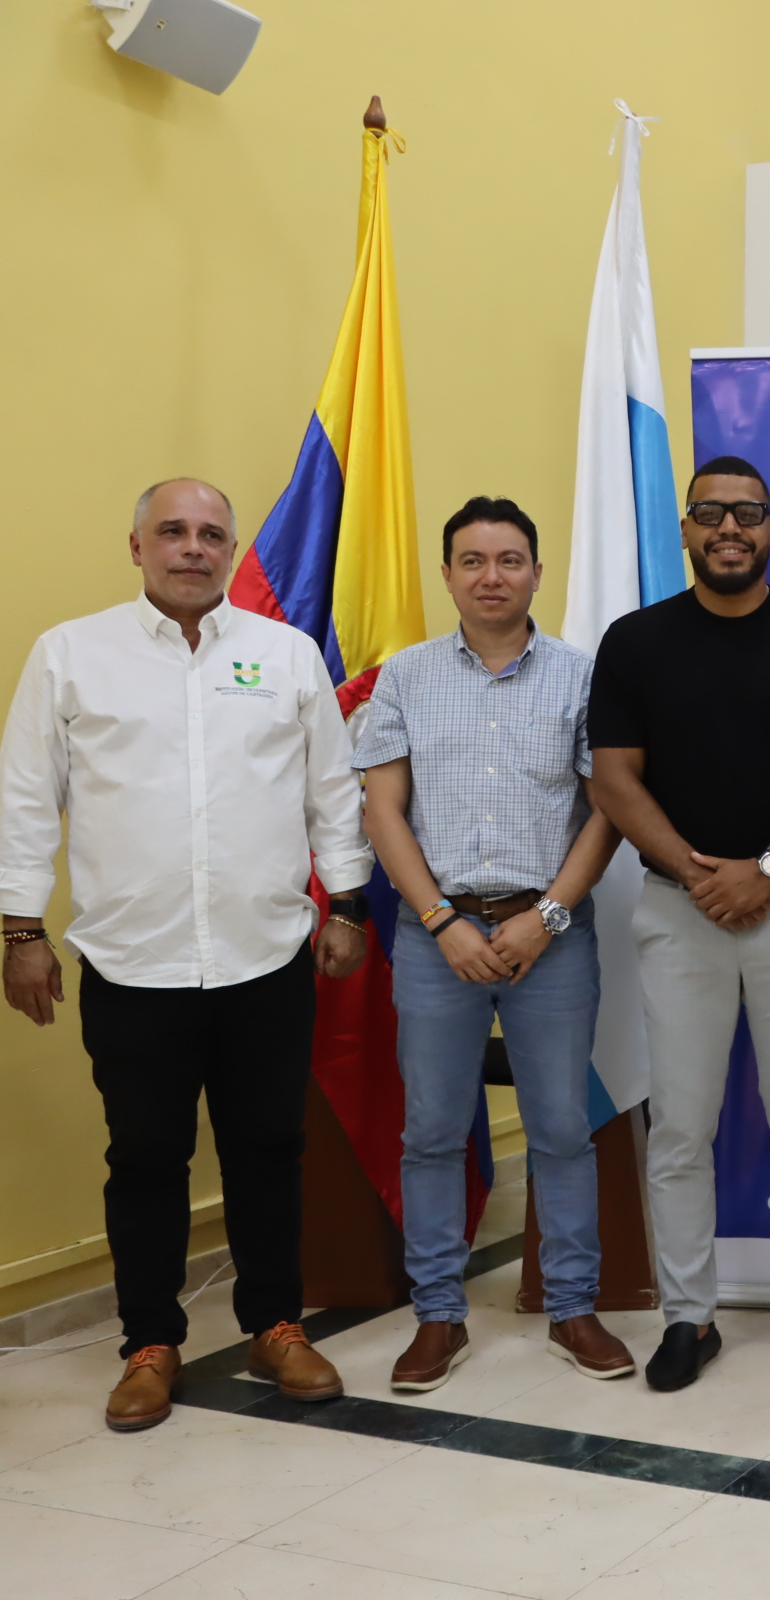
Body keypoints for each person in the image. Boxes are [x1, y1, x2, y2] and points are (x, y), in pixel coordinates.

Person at [0, 479, 369, 1431]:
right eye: (173, 532)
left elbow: (334, 792)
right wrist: (20, 930)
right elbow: (26, 799)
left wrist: (350, 907)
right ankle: (149, 1343)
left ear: (231, 550)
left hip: (267, 955)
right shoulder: (72, 656)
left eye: (211, 534)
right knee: (147, 1158)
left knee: (268, 1151)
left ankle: (275, 1325)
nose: (193, 548)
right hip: (133, 962)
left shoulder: (285, 655)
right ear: (136, 547)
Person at [587, 455, 770, 1392]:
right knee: (680, 1125)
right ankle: (689, 1320)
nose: (728, 528)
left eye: (746, 513)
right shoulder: (634, 644)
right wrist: (697, 872)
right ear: (685, 529)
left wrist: (765, 869)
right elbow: (614, 778)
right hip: (680, 911)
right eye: (709, 512)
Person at [353, 496, 632, 1392]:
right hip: (437, 935)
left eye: (510, 560)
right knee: (433, 1130)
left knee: (560, 1128)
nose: (491, 577)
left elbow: (607, 813)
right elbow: (382, 811)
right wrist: (440, 921)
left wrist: (545, 917)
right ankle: (439, 1316)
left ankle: (573, 1308)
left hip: (551, 932)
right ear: (448, 576)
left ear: (537, 574)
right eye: (472, 561)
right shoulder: (405, 676)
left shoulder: (584, 677)